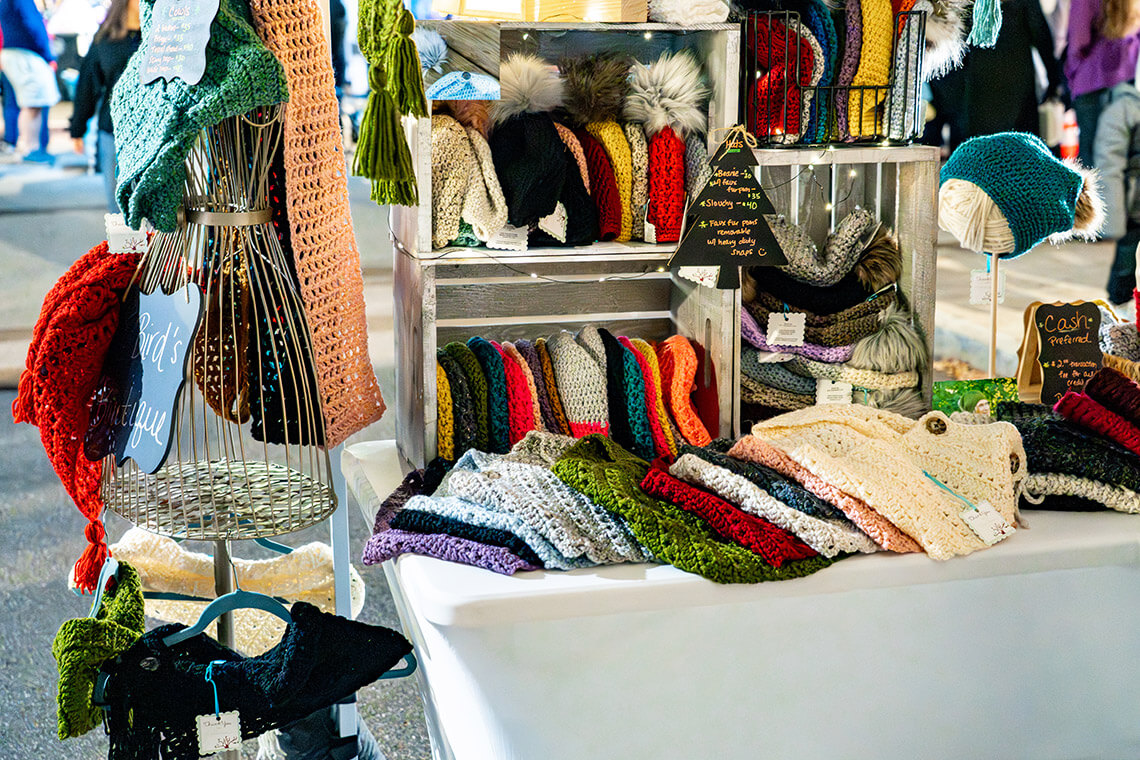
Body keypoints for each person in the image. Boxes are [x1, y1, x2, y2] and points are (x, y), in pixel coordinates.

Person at [944, 0, 1066, 144]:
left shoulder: (970, 2)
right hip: (1017, 85)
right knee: (1020, 147)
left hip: (979, 84)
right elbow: (1042, 37)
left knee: (981, 147)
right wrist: (1054, 82)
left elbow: (956, 41)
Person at [69, 0, 139, 211]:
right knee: (119, 209)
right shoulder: (105, 39)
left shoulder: (161, 36)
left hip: (156, 132)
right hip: (113, 131)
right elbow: (87, 85)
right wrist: (77, 129)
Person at [1066, 0, 1140, 164]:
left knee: (1092, 161)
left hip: (1092, 82)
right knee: (1126, 158)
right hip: (1130, 80)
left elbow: (1079, 39)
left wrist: (1071, 73)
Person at [1094, 83, 1140, 319]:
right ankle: (1119, 311)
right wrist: (1112, 218)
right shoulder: (1124, 108)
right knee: (1125, 260)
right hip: (1133, 204)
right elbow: (1109, 163)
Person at [0, 0, 60, 163]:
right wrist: (48, 54)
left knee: (31, 103)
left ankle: (31, 148)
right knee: (31, 104)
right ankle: (29, 148)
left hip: (15, 51)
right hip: (26, 53)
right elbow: (32, 24)